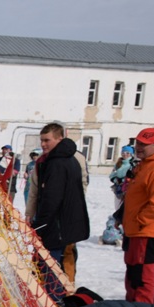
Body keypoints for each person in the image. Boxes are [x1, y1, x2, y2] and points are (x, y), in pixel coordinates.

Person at [117, 127, 154, 303]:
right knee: (134, 274)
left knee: (143, 276)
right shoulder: (145, 164)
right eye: (138, 143)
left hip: (147, 231)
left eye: (144, 145)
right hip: (135, 230)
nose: (139, 147)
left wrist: (139, 221)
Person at [33, 123, 89, 292]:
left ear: (59, 139)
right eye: (42, 140)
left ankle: (54, 304)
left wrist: (40, 226)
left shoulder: (57, 163)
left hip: (57, 226)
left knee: (51, 267)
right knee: (56, 265)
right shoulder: (67, 159)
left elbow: (51, 199)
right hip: (64, 224)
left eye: (47, 140)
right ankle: (57, 299)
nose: (43, 144)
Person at [109, 145, 136, 212]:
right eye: (123, 152)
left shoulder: (132, 164)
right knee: (117, 207)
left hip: (128, 188)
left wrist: (124, 180)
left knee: (125, 207)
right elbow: (112, 175)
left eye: (127, 153)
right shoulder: (119, 163)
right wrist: (115, 179)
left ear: (131, 154)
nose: (125, 154)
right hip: (118, 188)